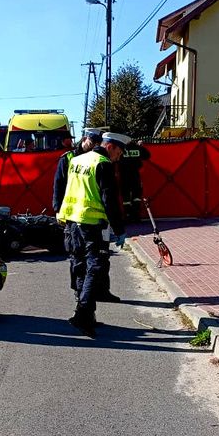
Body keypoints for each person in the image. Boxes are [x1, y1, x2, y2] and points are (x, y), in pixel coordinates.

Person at [58, 132, 128, 338]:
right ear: (110, 147)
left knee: (80, 267)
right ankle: (82, 314)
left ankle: (86, 316)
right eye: (119, 152)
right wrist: (119, 230)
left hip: (72, 223)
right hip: (91, 224)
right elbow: (110, 200)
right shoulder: (103, 164)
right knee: (95, 267)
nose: (119, 157)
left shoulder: (77, 160)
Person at [52, 127, 101, 214]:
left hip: (90, 210)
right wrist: (57, 208)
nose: (94, 147)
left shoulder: (97, 159)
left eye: (97, 144)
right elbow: (59, 183)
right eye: (91, 143)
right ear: (84, 139)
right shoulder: (68, 157)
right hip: (70, 209)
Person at [119, 138, 152, 223]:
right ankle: (136, 216)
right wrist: (141, 147)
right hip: (135, 176)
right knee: (136, 196)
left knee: (126, 198)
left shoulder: (121, 148)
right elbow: (147, 155)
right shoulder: (137, 148)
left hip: (124, 176)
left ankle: (127, 216)